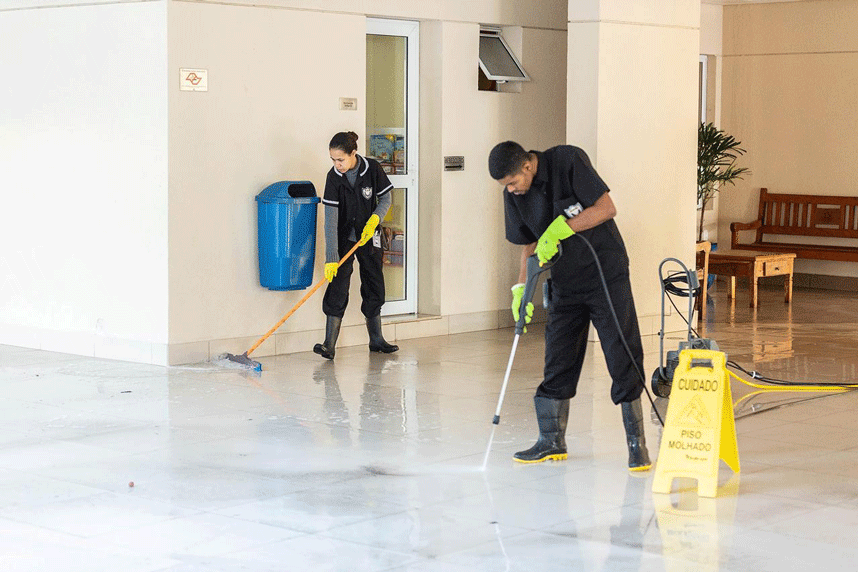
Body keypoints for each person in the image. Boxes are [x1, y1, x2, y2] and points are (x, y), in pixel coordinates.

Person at [488, 140, 650, 471]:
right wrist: (521, 290)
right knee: (558, 356)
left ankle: (637, 445)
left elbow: (606, 208)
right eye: (506, 186)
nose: (512, 190)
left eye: (513, 182)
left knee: (620, 351)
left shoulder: (567, 160)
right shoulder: (514, 196)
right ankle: (551, 441)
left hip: (605, 273)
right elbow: (529, 245)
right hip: (565, 282)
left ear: (527, 166)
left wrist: (561, 228)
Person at [314, 131, 399, 359]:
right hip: (344, 239)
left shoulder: (372, 169)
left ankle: (376, 339)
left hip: (370, 236)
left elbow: (386, 198)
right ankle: (329, 345)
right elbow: (330, 219)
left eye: (340, 159)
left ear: (353, 153)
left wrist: (375, 219)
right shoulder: (333, 177)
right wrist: (331, 257)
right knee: (338, 286)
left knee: (374, 282)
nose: (337, 164)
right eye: (333, 160)